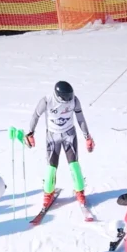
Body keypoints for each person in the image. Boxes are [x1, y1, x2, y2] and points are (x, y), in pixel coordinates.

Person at [24, 81, 95, 210]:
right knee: (51, 167)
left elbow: (80, 118)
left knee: (74, 165)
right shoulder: (47, 101)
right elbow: (35, 116)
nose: (69, 101)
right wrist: (30, 133)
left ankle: (80, 192)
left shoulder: (74, 100)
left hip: (69, 134)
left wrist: (87, 137)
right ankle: (48, 193)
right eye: (66, 98)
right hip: (53, 136)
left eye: (70, 97)